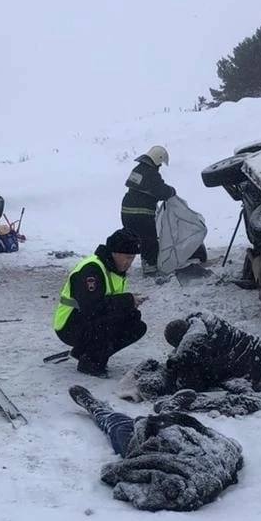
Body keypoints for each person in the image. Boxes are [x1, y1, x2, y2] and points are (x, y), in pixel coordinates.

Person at [68, 383, 244, 512]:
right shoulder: (201, 449)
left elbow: (121, 472)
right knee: (167, 421)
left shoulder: (170, 465)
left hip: (147, 444)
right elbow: (220, 444)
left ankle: (98, 409)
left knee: (118, 425)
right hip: (173, 433)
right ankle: (169, 409)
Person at [53, 228, 147, 377]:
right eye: (127, 257)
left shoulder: (114, 268)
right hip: (70, 324)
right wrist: (128, 300)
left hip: (85, 321)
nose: (130, 262)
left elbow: (109, 304)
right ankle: (90, 362)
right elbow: (91, 307)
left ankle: (84, 352)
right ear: (114, 252)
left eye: (132, 258)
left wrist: (130, 305)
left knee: (134, 321)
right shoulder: (92, 269)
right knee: (111, 322)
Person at [164, 311, 261, 392]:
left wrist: (178, 364)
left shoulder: (195, 351)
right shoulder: (207, 321)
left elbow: (192, 386)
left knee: (259, 363)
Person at [121, 146, 175, 275]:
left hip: (126, 211)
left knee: (130, 239)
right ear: (158, 159)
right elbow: (162, 191)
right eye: (160, 163)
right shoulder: (152, 173)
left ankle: (117, 261)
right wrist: (172, 191)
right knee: (149, 240)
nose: (160, 166)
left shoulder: (138, 169)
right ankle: (150, 267)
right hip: (141, 213)